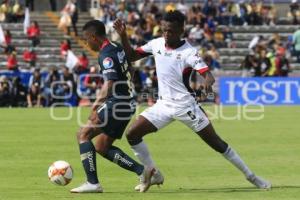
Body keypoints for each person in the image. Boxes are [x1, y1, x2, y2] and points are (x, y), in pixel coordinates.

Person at [114, 10, 271, 192]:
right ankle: (154, 173)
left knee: (217, 144)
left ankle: (252, 177)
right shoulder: (156, 44)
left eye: (170, 31)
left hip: (186, 106)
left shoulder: (189, 52)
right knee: (132, 134)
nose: (166, 34)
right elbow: (132, 55)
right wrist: (123, 36)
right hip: (163, 105)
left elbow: (208, 75)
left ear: (181, 30)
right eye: (164, 30)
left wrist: (207, 84)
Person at [70, 20, 153, 193]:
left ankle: (93, 183)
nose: (86, 44)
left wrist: (94, 108)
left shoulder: (105, 55)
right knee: (101, 147)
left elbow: (109, 84)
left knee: (83, 134)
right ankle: (143, 171)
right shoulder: (116, 46)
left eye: (86, 40)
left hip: (118, 102)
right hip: (128, 102)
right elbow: (130, 68)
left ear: (94, 37)